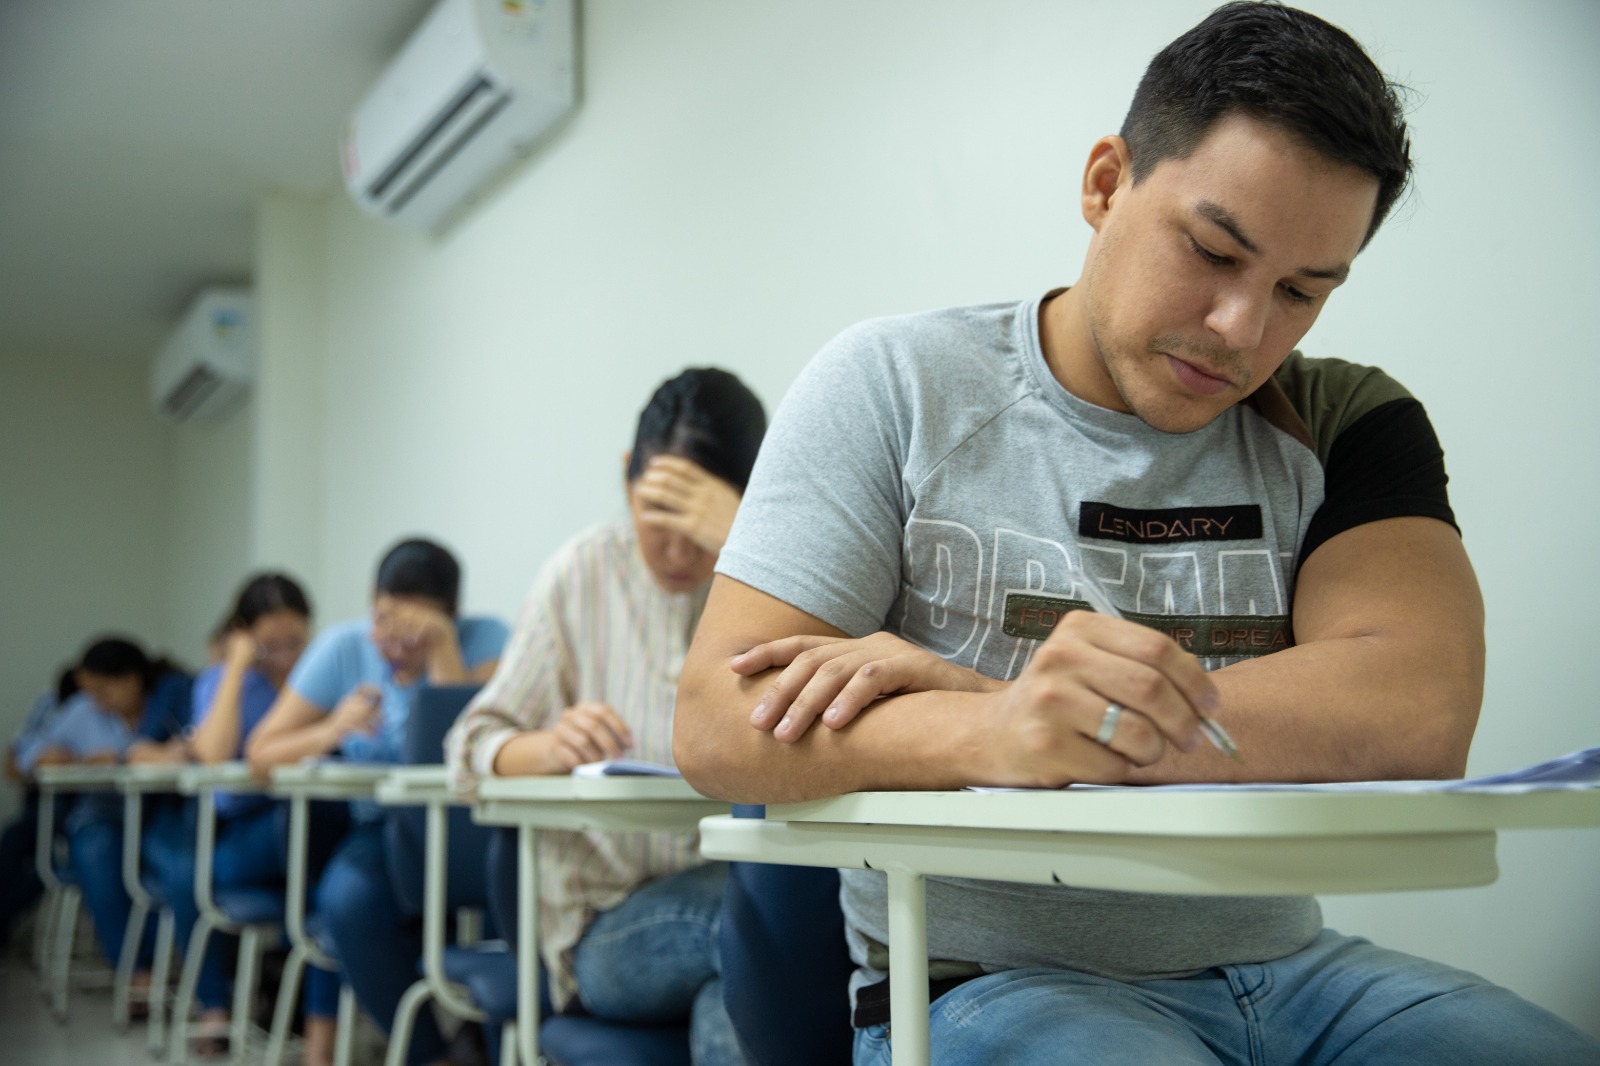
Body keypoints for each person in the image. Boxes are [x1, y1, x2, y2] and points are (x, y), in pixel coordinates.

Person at [672, 4, 1600, 1064]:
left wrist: (1027, 716)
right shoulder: (895, 386)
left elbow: (1413, 707)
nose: (1241, 330)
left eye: (1302, 291)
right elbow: (716, 719)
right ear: (1106, 182)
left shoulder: (1348, 418)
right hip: (989, 984)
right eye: (1213, 252)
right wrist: (995, 735)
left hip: (1297, 971)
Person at [445, 367, 766, 1066]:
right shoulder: (581, 573)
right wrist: (546, 745)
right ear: (628, 479)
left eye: (702, 530)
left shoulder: (760, 585)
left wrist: (749, 545)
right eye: (660, 521)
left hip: (726, 894)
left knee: (736, 995)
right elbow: (468, 747)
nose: (680, 553)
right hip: (607, 927)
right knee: (757, 927)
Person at [247, 538, 507, 1066]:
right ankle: (430, 1054)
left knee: (518, 894)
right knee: (347, 898)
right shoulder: (344, 649)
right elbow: (261, 755)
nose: (397, 646)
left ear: (452, 617)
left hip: (475, 829)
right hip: (387, 830)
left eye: (417, 632)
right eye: (387, 622)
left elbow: (461, 752)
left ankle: (496, 1044)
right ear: (374, 601)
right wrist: (330, 729)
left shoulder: (488, 640)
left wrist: (443, 653)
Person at [153, 573, 314, 1055]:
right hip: (243, 827)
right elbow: (215, 758)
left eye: (296, 643)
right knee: (189, 872)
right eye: (271, 645)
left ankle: (295, 991)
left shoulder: (315, 676)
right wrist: (238, 667)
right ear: (244, 633)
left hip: (304, 816)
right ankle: (216, 1005)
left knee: (316, 836)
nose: (285, 657)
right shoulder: (224, 682)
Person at [14, 637, 192, 1010]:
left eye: (104, 688)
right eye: (91, 691)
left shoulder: (167, 701)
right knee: (98, 850)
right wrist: (54, 757)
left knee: (175, 855)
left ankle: (187, 973)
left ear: (132, 680)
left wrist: (121, 755)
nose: (98, 699)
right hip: (101, 812)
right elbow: (28, 753)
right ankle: (135, 972)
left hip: (157, 810)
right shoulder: (82, 711)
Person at [0, 666, 78, 948]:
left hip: (83, 801)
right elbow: (13, 762)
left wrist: (76, 762)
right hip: (45, 797)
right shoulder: (49, 704)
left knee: (48, 865)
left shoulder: (98, 712)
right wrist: (42, 762)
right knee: (12, 841)